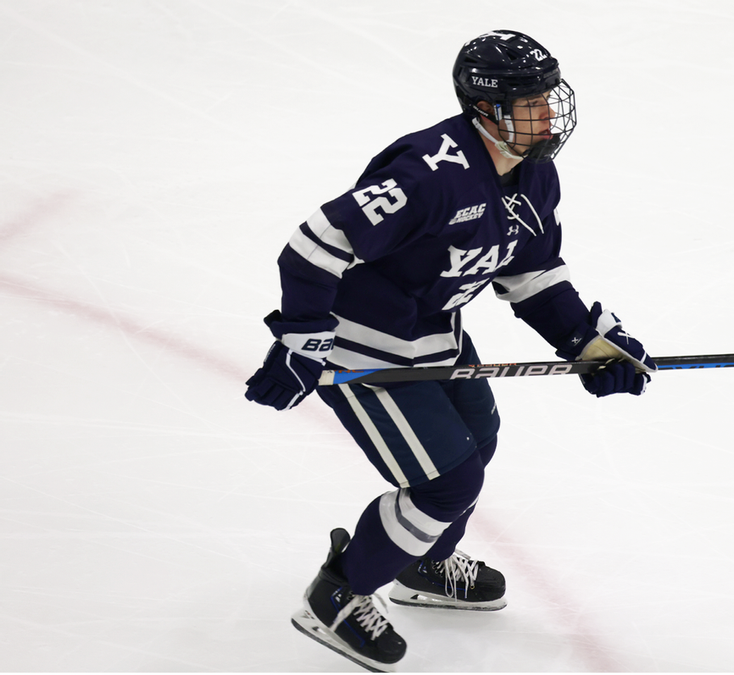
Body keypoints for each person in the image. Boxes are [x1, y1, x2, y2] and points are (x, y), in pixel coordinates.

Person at [243, 30, 656, 671]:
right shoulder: (428, 177)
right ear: (487, 109)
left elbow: (533, 275)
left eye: (550, 96)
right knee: (446, 481)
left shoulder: (533, 175)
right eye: (531, 101)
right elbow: (314, 245)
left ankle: (424, 565)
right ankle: (338, 594)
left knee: (477, 443)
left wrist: (587, 340)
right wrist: (302, 338)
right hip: (364, 350)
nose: (549, 113)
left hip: (437, 335)